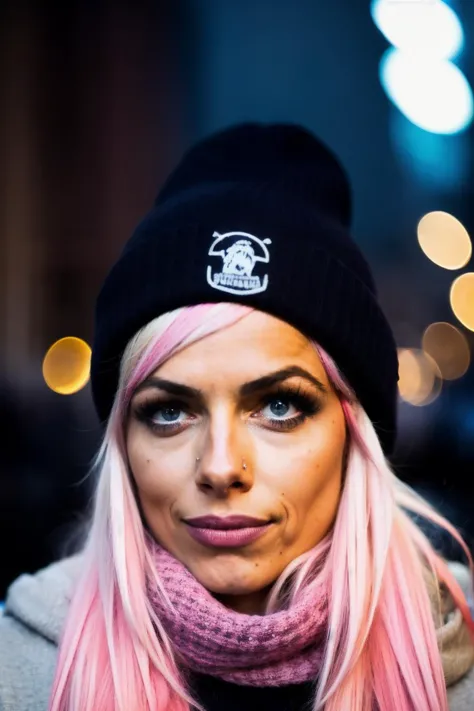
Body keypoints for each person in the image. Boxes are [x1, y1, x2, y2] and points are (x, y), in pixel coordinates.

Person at [0, 123, 473, 711]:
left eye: (280, 406)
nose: (221, 467)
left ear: (356, 433)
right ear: (122, 436)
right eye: (169, 411)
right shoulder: (20, 673)